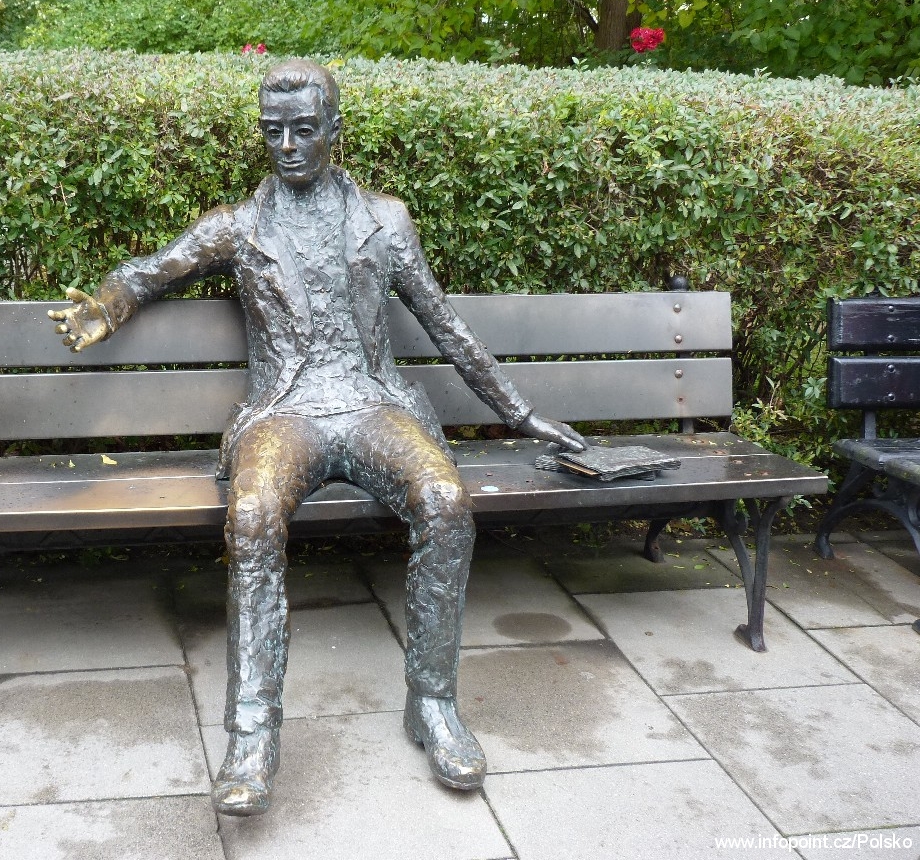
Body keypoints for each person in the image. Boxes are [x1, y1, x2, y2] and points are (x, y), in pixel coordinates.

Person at [49, 59, 585, 816]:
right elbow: (149, 272)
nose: (289, 146)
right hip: (285, 415)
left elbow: (446, 325)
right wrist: (104, 307)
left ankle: (433, 704)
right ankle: (251, 736)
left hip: (371, 407)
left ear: (334, 130)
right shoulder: (238, 226)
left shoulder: (385, 220)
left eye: (304, 130)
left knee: (444, 499)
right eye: (274, 132)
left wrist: (523, 414)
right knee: (251, 514)